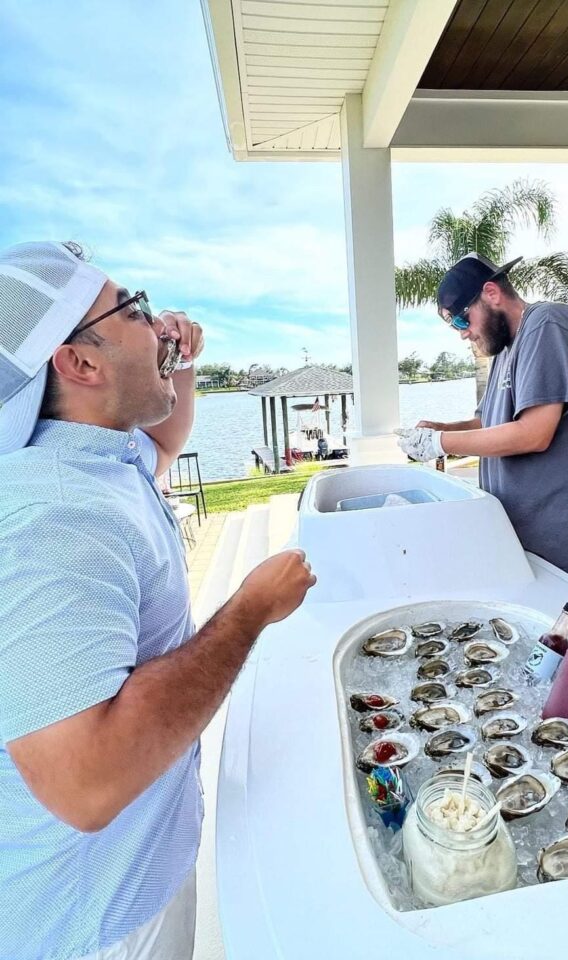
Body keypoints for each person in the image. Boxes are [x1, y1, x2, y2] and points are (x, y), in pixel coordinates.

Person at [0, 241, 316, 960]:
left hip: (126, 884)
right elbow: (85, 781)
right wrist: (250, 610)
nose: (158, 319)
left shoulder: (91, 452)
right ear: (80, 363)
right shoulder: (53, 520)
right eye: (133, 308)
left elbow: (164, 447)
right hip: (96, 924)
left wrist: (178, 362)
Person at [398, 252, 568, 598]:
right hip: (529, 542)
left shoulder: (548, 324)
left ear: (492, 293)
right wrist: (442, 428)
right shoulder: (507, 349)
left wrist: (440, 444)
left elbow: (534, 433)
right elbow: (487, 421)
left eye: (463, 322)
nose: (463, 335)